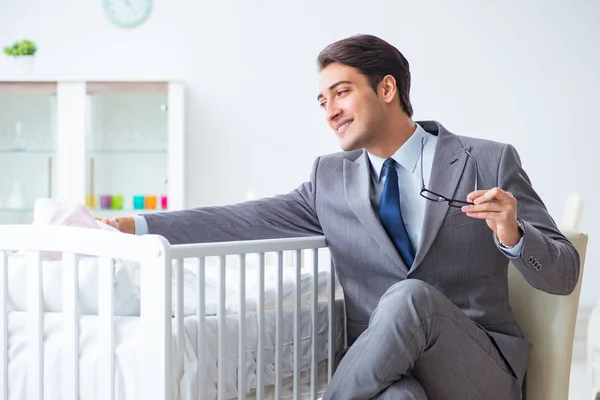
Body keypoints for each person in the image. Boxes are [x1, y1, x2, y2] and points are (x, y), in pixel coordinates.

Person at [102, 34, 579, 399]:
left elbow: (563, 274)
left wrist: (513, 233)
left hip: (478, 373)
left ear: (387, 88)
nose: (330, 110)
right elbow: (244, 220)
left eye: (341, 92)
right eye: (322, 100)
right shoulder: (329, 179)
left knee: (412, 297)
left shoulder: (486, 160)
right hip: (391, 374)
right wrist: (137, 225)